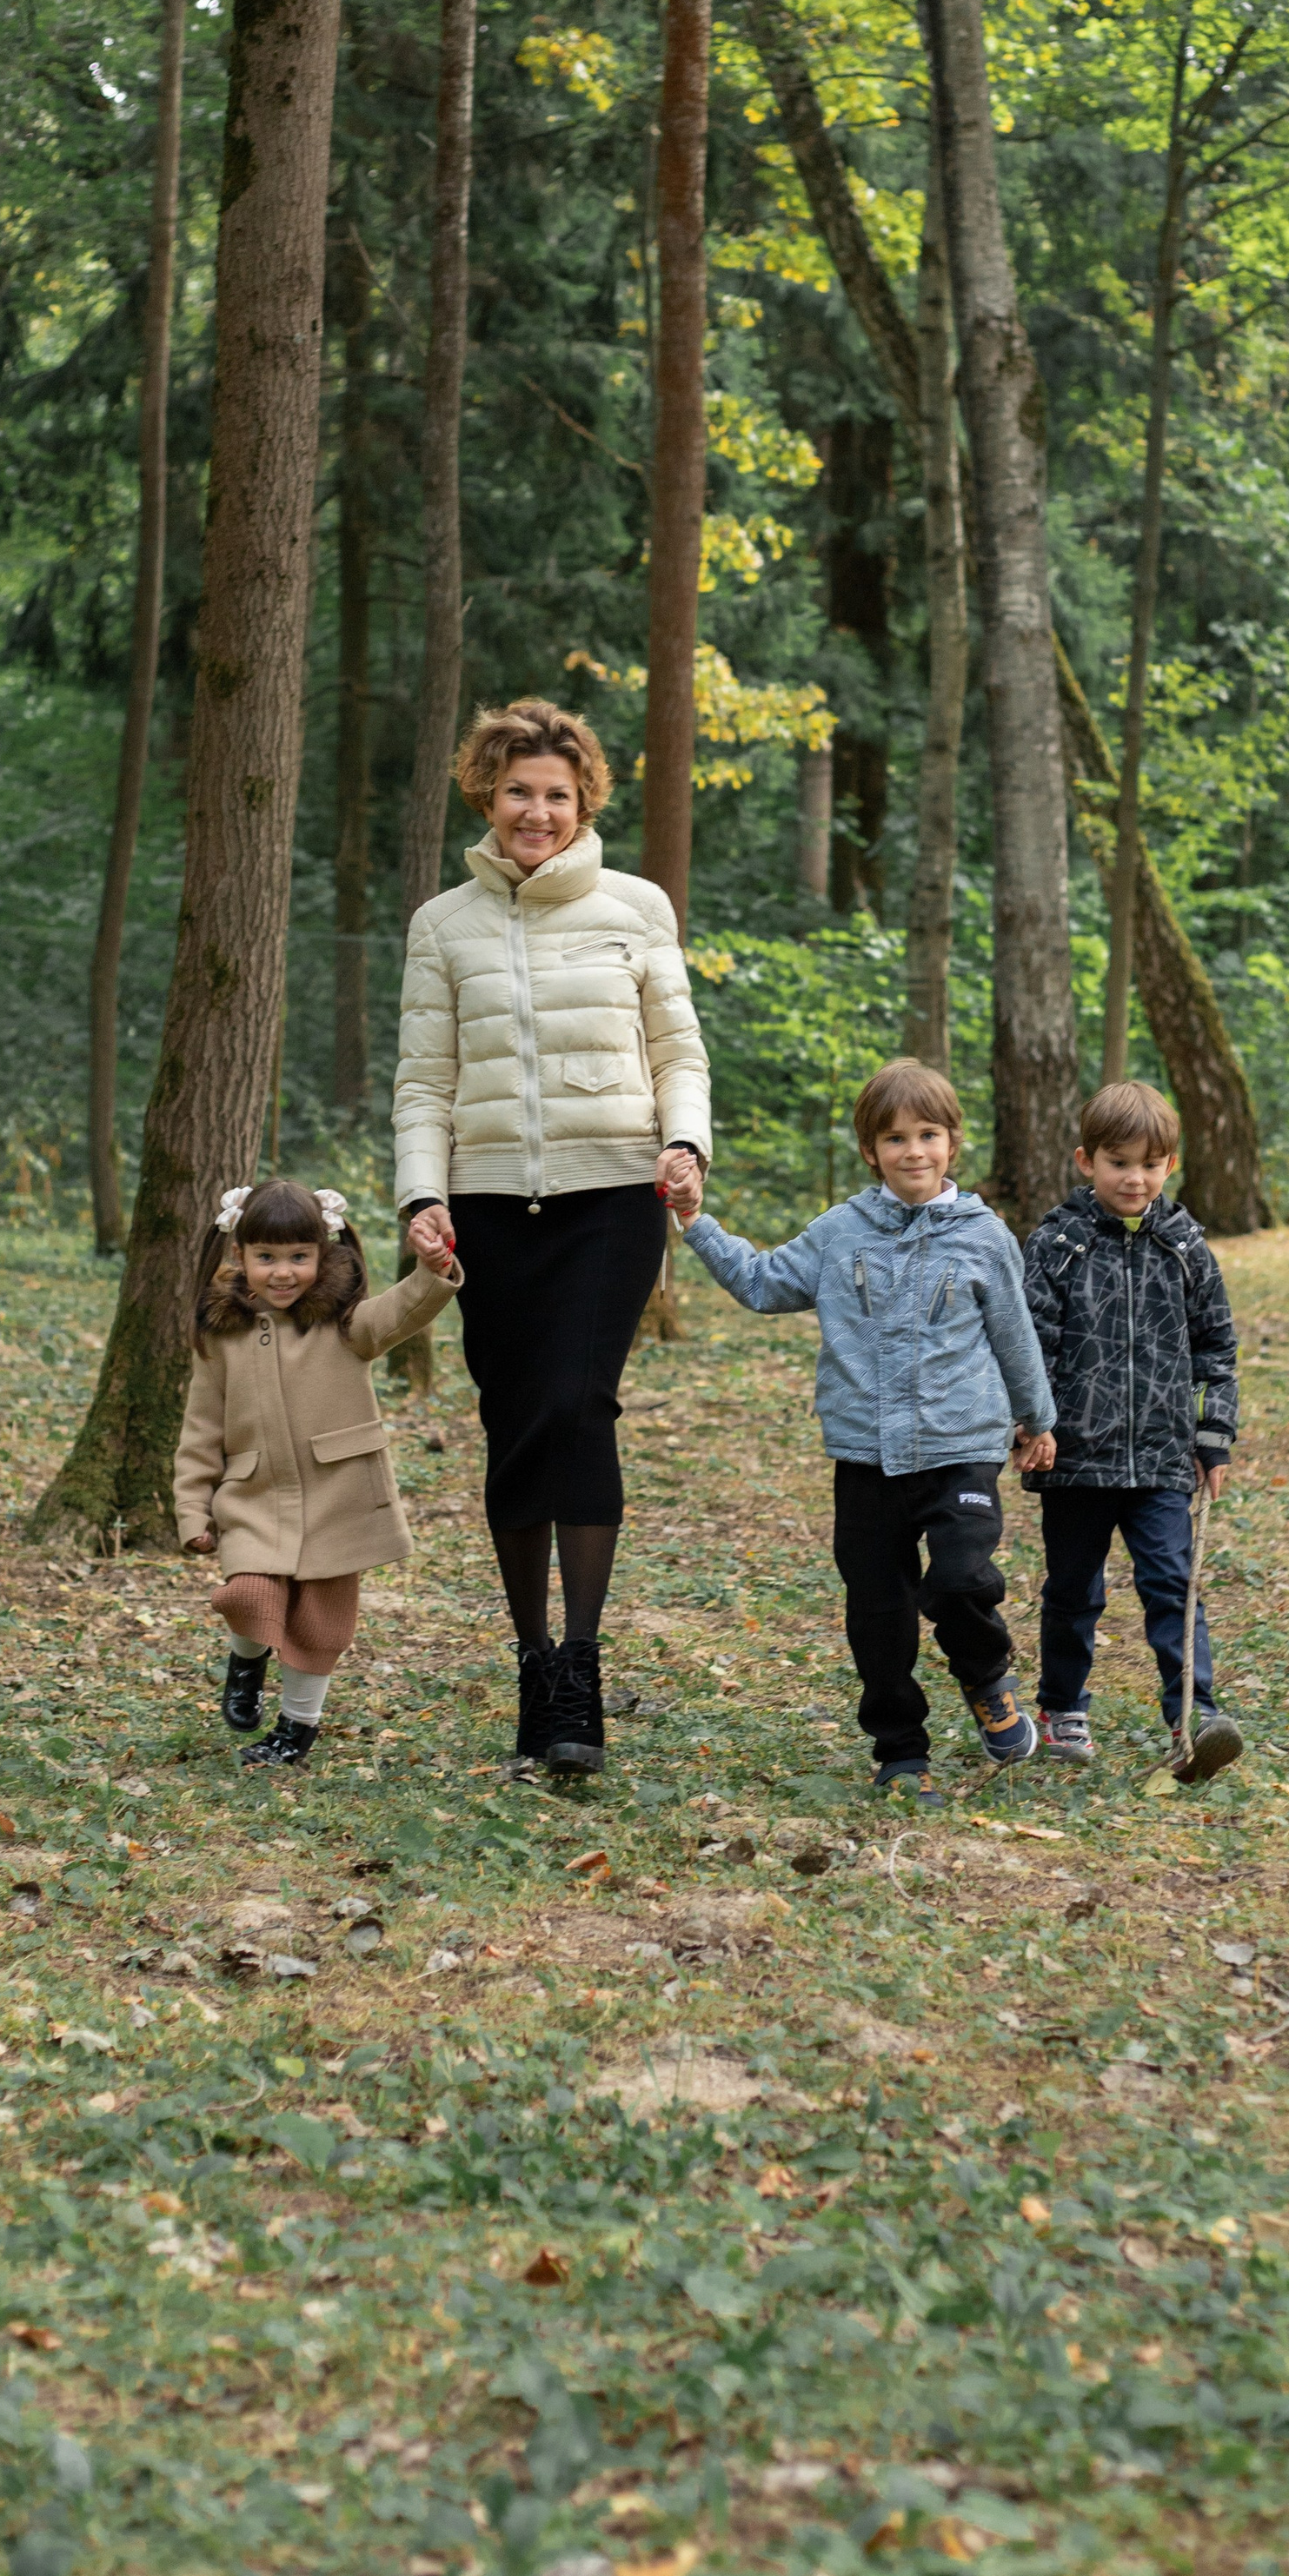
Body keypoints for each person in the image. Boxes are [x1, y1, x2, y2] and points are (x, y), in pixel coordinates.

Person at [393, 699, 712, 1776]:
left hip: (612, 1195)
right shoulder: (442, 925)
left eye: (557, 795)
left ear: (584, 804)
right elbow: (424, 1082)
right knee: (516, 1421)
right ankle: (531, 1658)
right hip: (485, 1205)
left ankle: (579, 1662)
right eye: (519, 791)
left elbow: (679, 1051)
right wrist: (418, 1198)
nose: (537, 811)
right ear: (486, 794)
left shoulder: (637, 908)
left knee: (580, 1405)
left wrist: (685, 1147)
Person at [662, 1059, 1055, 1807]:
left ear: (952, 1142)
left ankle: (986, 1676)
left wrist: (1038, 1419)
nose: (914, 1151)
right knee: (878, 1611)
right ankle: (901, 1751)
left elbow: (1015, 1333)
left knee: (961, 1579)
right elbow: (760, 1280)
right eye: (895, 1138)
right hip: (866, 1456)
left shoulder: (983, 1234)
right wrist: (694, 1220)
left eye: (929, 1134)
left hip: (960, 1448)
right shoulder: (840, 1231)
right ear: (871, 1151)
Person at [175, 1178, 460, 1772]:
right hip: (252, 1494)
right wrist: (192, 1511)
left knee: (320, 1623)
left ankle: (297, 1727)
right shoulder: (221, 1335)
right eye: (268, 1257)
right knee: (249, 1592)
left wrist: (432, 1271)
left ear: (323, 1255)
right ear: (240, 1256)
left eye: (299, 1256)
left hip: (339, 1492)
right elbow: (200, 1432)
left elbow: (402, 1309)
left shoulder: (346, 1322)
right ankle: (246, 1662)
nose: (284, 1273)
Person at [1019, 1079, 1244, 1782]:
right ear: (1087, 1161)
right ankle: (1061, 1707)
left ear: (1169, 1166)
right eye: (1119, 1161)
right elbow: (1027, 1345)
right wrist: (1031, 1425)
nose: (1134, 1177)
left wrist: (1214, 1436)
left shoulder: (1186, 1247)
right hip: (1075, 1458)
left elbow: (1217, 1349)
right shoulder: (1058, 1244)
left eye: (1150, 1163)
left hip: (1160, 1460)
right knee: (1073, 1588)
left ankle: (1194, 1714)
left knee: (1173, 1582)